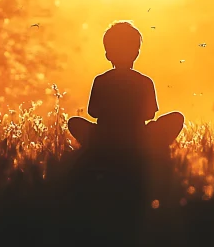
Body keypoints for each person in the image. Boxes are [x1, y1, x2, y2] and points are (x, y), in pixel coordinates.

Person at [67, 20, 184, 158]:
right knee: (176, 118)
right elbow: (150, 115)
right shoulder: (145, 81)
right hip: (138, 138)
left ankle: (99, 147)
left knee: (75, 123)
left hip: (106, 138)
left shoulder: (101, 80)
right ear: (136, 53)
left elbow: (93, 112)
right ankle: (149, 148)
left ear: (108, 55)